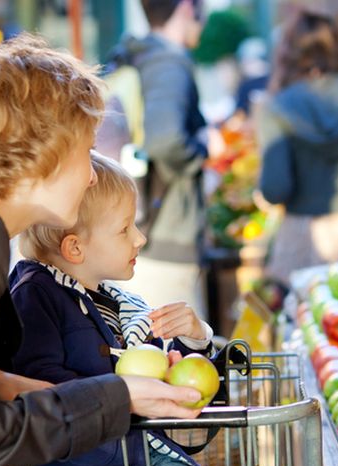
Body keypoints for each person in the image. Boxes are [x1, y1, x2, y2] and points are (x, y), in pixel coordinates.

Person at [0, 33, 203, 466]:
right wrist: (117, 397)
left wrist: (99, 394)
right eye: (87, 150)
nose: (93, 176)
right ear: (45, 149)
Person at [8, 153, 219, 466]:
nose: (140, 238)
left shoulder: (118, 303)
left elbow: (161, 376)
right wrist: (120, 392)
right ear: (75, 248)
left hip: (140, 461)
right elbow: (39, 388)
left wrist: (194, 340)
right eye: (124, 229)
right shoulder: (34, 296)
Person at [107, 0, 218, 315]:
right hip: (165, 238)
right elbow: (166, 139)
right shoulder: (168, 63)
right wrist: (203, 148)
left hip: (144, 232)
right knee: (178, 341)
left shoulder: (137, 56)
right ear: (187, 8)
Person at [256, 10, 338, 284]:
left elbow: (275, 189)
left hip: (304, 236)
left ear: (288, 51)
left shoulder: (278, 106)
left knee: (306, 308)